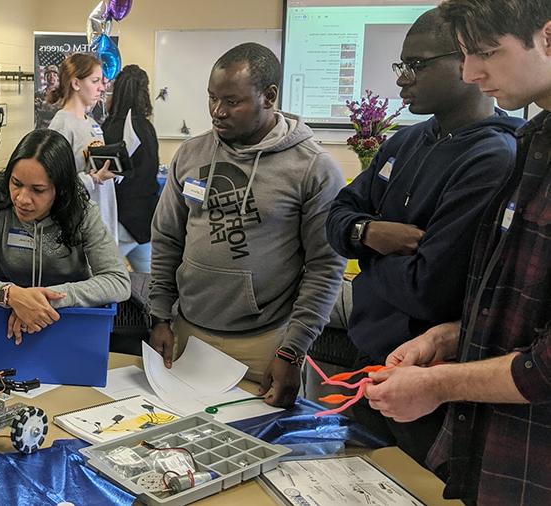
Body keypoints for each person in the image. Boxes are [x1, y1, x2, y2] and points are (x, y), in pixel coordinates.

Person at [364, 1, 551, 503]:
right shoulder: (535, 142)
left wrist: (440, 385)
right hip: (499, 458)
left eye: (487, 52)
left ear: (548, 38)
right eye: (466, 55)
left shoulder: (496, 148)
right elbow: (516, 305)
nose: (471, 73)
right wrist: (451, 337)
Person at [325, 8, 522, 467]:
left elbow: (428, 291)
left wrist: (368, 257)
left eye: (416, 65)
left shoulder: (492, 157)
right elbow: (336, 216)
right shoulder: (404, 142)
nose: (402, 80)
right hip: (369, 356)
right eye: (401, 66)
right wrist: (369, 231)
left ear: (464, 64)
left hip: (426, 378)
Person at [149, 43, 345, 408]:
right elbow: (166, 239)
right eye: (211, 98)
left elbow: (325, 267)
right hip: (190, 333)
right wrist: (160, 314)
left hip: (265, 344)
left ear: (269, 97)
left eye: (231, 101)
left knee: (255, 448)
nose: (217, 112)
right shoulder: (191, 154)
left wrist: (293, 350)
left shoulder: (313, 168)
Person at [0, 129, 130, 343]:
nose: (22, 199)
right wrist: (12, 295)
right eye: (16, 183)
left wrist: (45, 300)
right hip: (2, 327)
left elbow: (118, 281)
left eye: (38, 190)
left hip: (69, 327)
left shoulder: (83, 212)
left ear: (60, 190)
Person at [48, 53, 119, 244]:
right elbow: (55, 183)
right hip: (79, 226)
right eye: (95, 81)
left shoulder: (93, 124)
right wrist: (93, 179)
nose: (101, 88)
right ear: (76, 84)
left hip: (101, 218)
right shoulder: (62, 125)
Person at [101, 64, 160, 273]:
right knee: (150, 284)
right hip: (142, 218)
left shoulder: (107, 127)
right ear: (144, 92)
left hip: (118, 217)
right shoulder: (146, 127)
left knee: (103, 278)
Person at [34, 64, 60, 129]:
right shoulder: (39, 94)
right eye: (49, 75)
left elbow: (58, 111)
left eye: (54, 75)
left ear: (58, 77)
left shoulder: (62, 94)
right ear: (45, 77)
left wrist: (42, 105)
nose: (52, 77)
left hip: (56, 129)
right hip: (41, 129)